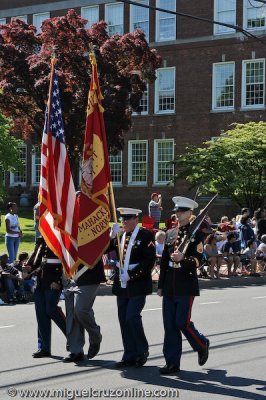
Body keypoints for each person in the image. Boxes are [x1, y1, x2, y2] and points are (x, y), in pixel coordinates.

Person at [157, 196, 209, 375]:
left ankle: (201, 343)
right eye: (177, 211)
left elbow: (199, 261)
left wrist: (183, 259)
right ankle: (172, 363)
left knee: (182, 322)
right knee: (169, 326)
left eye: (182, 211)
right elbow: (164, 262)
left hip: (186, 285)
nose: (178, 214)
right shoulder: (170, 233)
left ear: (190, 213)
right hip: (170, 285)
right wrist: (160, 285)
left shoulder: (196, 234)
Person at [109, 207, 156, 368]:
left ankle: (141, 351)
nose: (124, 222)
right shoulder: (120, 235)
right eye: (122, 219)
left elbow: (149, 261)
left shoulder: (145, 235)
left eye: (127, 219)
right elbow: (106, 250)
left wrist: (132, 274)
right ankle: (129, 354)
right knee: (123, 319)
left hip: (137, 283)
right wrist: (111, 236)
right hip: (121, 284)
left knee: (131, 317)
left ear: (136, 219)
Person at [27, 237, 67, 358]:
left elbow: (66, 262)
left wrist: (59, 280)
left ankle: (71, 336)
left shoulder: (61, 237)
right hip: (41, 280)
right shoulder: (42, 238)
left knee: (51, 309)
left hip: (54, 280)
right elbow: (38, 258)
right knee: (41, 313)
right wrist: (29, 267)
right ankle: (44, 347)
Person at [63, 258, 106, 363]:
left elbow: (105, 245)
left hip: (89, 273)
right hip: (69, 273)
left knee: (81, 310)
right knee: (72, 313)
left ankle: (95, 336)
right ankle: (76, 351)